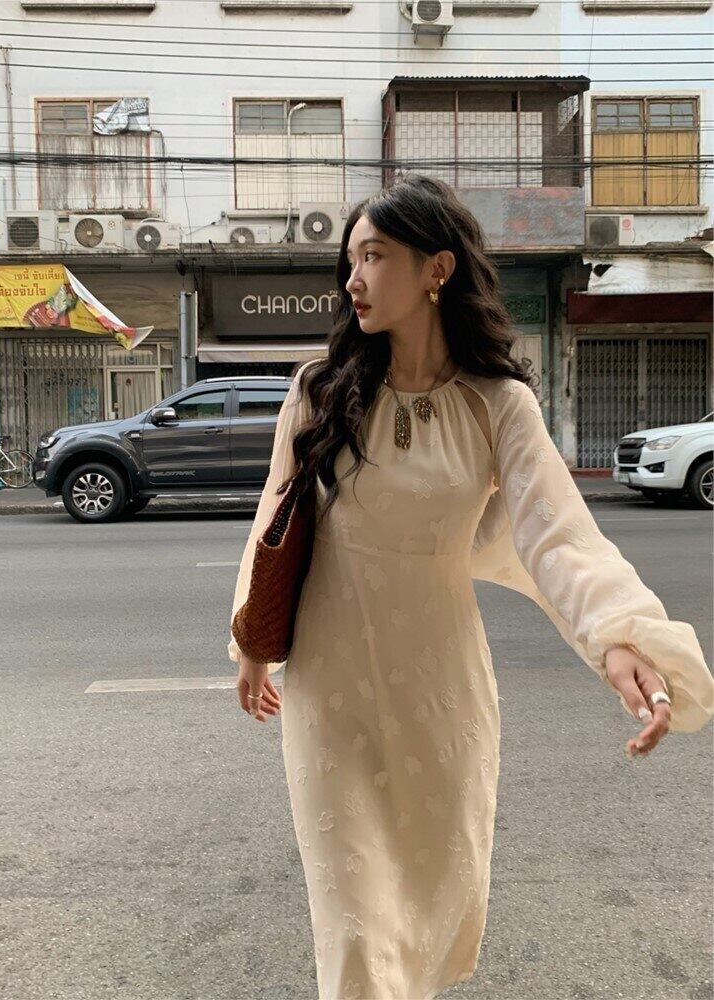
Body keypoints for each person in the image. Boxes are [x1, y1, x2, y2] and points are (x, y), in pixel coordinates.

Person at [227, 173, 714, 1000]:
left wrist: (620, 640)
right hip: (333, 689)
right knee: (356, 931)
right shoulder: (319, 391)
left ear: (437, 269)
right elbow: (275, 515)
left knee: (427, 908)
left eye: (375, 256)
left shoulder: (499, 404)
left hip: (441, 690)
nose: (353, 279)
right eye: (350, 260)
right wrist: (252, 642)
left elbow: (559, 536)